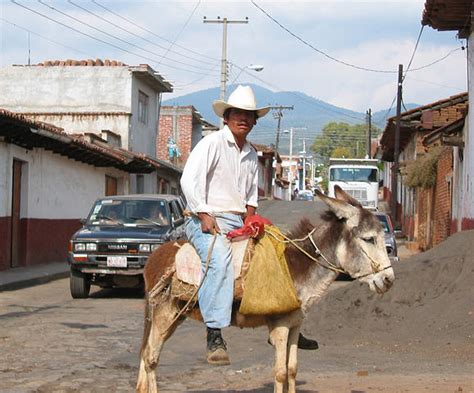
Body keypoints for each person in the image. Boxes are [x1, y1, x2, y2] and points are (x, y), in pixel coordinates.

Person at [180, 86, 317, 367]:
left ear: (254, 121)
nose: (243, 118)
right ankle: (214, 333)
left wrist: (252, 221)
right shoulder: (212, 144)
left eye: (249, 115)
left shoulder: (252, 155)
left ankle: (285, 323)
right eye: (238, 113)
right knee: (218, 258)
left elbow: (250, 198)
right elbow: (188, 182)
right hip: (203, 217)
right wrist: (205, 216)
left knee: (280, 253)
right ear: (227, 117)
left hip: (238, 220)